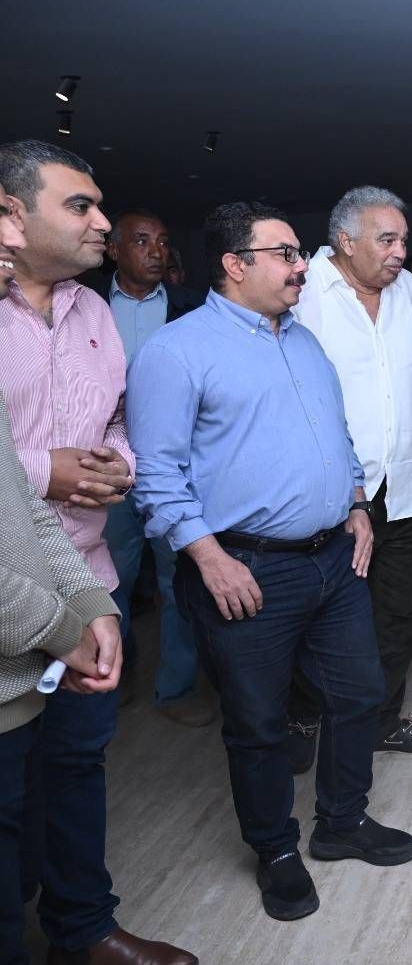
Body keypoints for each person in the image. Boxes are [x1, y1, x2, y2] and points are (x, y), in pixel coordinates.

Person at [128, 201, 412, 923]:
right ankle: (276, 851)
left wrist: (357, 503)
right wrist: (207, 557)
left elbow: (336, 434)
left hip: (333, 559)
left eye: (298, 253)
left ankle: (342, 821)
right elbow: (156, 472)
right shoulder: (177, 351)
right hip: (245, 569)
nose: (300, 267)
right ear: (235, 264)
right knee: (259, 722)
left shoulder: (304, 341)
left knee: (358, 693)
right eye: (284, 254)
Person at [0, 142, 196, 965]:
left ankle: (83, 930)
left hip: (87, 579)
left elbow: (116, 418)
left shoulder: (94, 313)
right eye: (80, 205)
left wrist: (120, 462)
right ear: (12, 214)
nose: (102, 222)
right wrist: (45, 470)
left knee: (77, 767)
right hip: (11, 596)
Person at [287, 186, 412, 767]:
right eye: (387, 240)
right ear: (345, 241)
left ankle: (382, 721)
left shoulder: (408, 292)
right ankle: (304, 719)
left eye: (403, 240)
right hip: (331, 492)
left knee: (397, 613)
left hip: (402, 483)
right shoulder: (303, 290)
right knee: (319, 616)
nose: (400, 252)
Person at [90, 209, 211, 727]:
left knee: (179, 581)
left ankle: (176, 688)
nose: (156, 251)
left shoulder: (194, 307)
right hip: (106, 470)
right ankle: (110, 680)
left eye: (162, 241)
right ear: (114, 250)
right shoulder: (84, 305)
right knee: (107, 582)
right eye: (142, 241)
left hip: (175, 470)